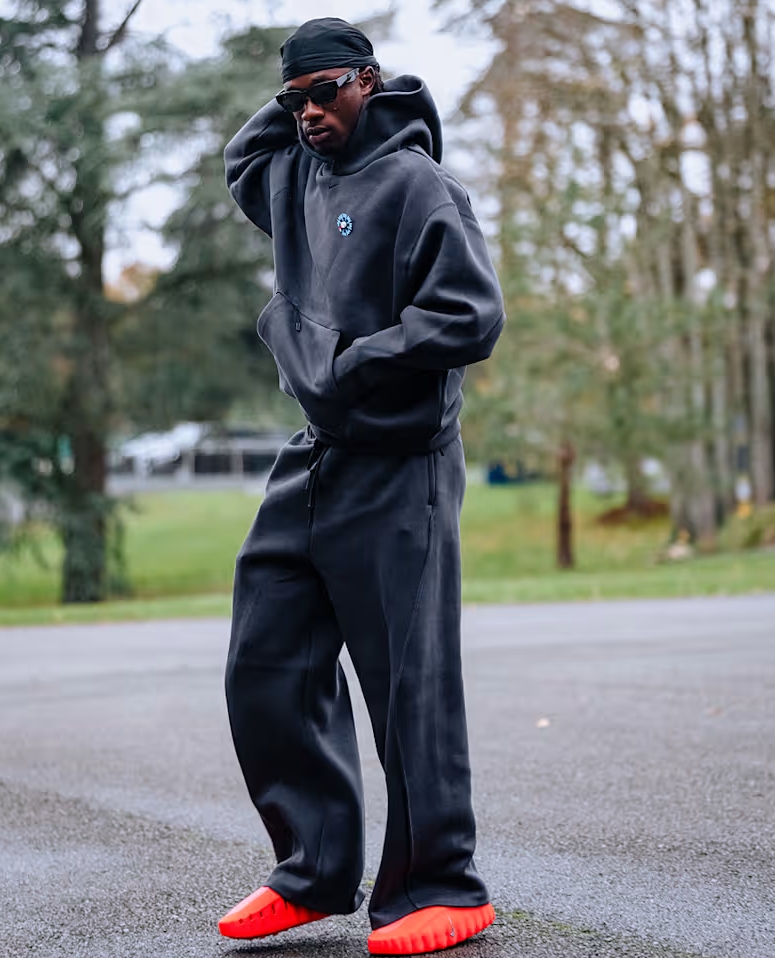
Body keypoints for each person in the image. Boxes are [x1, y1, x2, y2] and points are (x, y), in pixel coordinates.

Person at [219, 17, 504, 956]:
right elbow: (239, 162)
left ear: (369, 82)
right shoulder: (294, 175)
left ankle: (443, 885)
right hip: (317, 453)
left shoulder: (419, 186)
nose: (306, 113)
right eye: (292, 98)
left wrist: (350, 363)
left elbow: (470, 314)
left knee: (408, 684)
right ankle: (313, 868)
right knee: (267, 657)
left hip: (400, 462)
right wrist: (298, 94)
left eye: (325, 92)